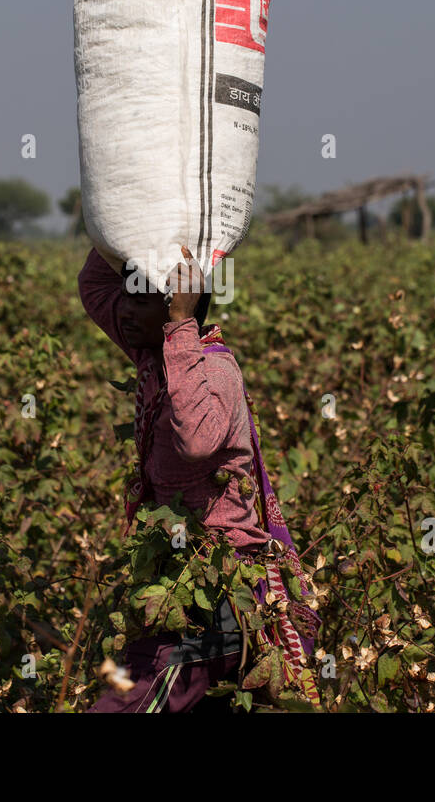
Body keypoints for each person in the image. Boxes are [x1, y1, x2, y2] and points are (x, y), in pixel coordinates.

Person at [78, 244, 321, 712]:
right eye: (126, 296)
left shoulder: (212, 369)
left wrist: (181, 321)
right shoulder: (154, 353)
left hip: (215, 590)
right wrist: (130, 219)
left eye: (142, 299)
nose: (125, 310)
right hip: (176, 577)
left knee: (128, 702)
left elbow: (196, 441)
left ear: (178, 309)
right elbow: (94, 287)